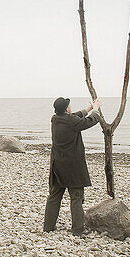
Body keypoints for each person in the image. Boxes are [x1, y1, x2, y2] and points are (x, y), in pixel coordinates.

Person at [44, 96, 102, 234]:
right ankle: (77, 229)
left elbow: (75, 116)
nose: (71, 108)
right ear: (66, 109)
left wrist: (89, 108)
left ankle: (48, 227)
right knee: (76, 196)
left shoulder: (55, 119)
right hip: (71, 166)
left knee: (55, 195)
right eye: (69, 106)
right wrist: (96, 110)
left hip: (57, 164)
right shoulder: (70, 121)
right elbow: (89, 122)